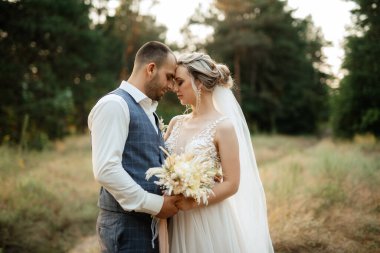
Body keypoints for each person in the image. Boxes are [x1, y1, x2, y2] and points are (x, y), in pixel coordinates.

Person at [164, 53, 274, 253]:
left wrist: (192, 201)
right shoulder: (175, 122)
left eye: (180, 82)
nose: (174, 88)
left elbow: (232, 184)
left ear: (199, 83)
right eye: (173, 82)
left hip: (207, 218)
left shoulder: (223, 127)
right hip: (173, 217)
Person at [88, 41, 181, 253]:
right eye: (169, 77)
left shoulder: (148, 110)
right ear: (151, 69)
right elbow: (106, 170)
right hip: (125, 227)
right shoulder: (114, 105)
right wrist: (156, 204)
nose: (171, 86)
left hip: (147, 225)